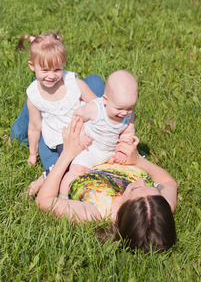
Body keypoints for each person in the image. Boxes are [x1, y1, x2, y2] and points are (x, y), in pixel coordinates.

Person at [35, 116, 177, 253]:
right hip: (105, 141)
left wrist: (67, 153)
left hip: (71, 155)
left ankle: (19, 131)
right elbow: (168, 182)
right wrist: (138, 161)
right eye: (150, 186)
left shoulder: (93, 212)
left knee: (48, 102)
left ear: (125, 209)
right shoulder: (156, 209)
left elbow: (44, 200)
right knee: (113, 97)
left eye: (135, 188)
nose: (140, 181)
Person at [13, 32, 97, 166]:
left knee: (98, 158)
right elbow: (35, 127)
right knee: (72, 166)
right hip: (61, 140)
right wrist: (33, 154)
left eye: (57, 69)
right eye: (45, 70)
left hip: (85, 132)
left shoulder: (73, 83)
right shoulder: (34, 96)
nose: (51, 76)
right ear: (32, 66)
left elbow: (95, 103)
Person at [59, 70, 138, 196]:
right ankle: (63, 196)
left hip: (112, 151)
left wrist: (122, 150)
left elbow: (128, 133)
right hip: (91, 148)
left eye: (129, 108)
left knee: (128, 171)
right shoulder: (94, 108)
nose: (124, 113)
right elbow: (77, 116)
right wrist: (82, 135)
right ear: (105, 100)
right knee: (76, 170)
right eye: (119, 109)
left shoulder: (129, 115)